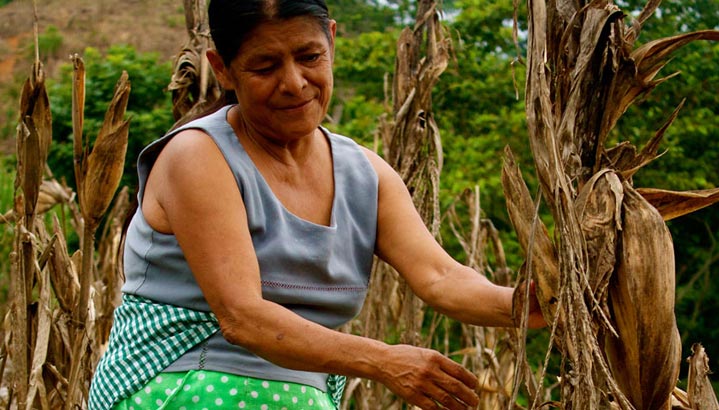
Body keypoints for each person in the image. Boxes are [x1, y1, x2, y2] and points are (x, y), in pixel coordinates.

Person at [89, 1, 544, 409]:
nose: (293, 83)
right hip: (180, 388)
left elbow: (441, 277)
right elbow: (242, 317)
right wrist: (385, 361)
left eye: (309, 57)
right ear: (222, 69)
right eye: (264, 67)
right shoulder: (199, 157)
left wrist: (524, 305)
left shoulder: (364, 173)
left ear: (332, 40)